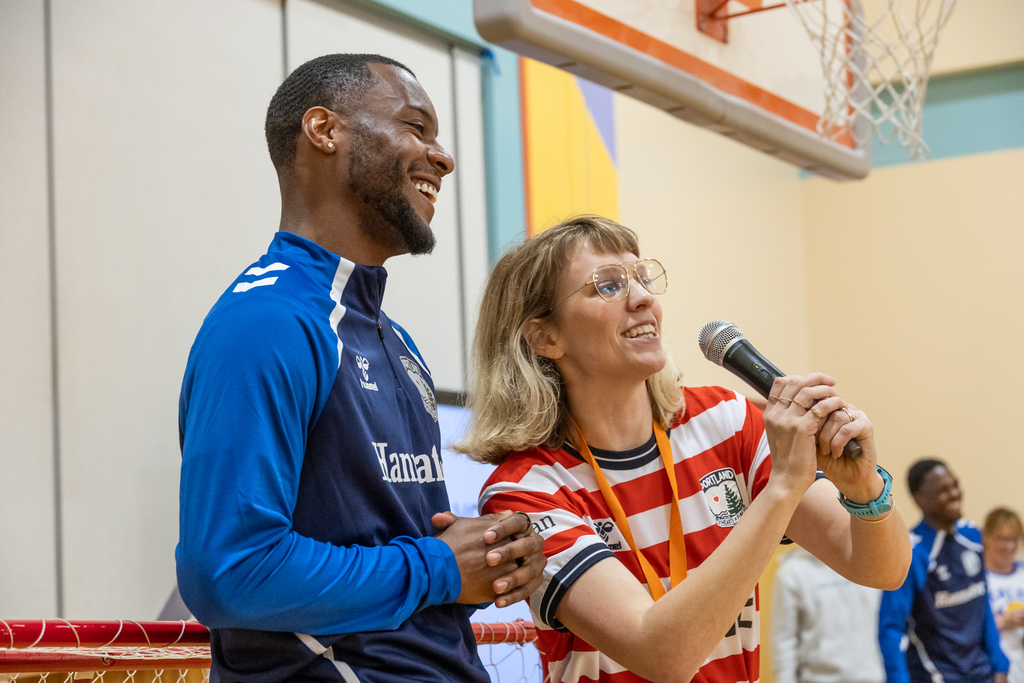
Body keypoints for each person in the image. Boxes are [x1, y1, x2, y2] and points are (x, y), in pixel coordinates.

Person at [175, 53, 546, 683]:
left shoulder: (396, 342)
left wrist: (485, 560)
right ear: (325, 131)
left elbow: (399, 558)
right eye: (416, 127)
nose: (443, 156)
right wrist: (439, 567)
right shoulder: (267, 322)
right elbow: (229, 572)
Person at [456, 215, 911, 683]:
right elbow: (660, 655)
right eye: (607, 286)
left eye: (642, 277)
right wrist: (783, 488)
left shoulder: (726, 421)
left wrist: (864, 489)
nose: (643, 298)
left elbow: (882, 569)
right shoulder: (526, 491)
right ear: (545, 337)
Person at [879, 459, 1009, 683]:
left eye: (955, 485)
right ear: (919, 499)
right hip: (936, 675)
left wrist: (999, 664)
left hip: (982, 673)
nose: (954, 494)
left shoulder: (973, 537)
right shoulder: (911, 552)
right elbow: (890, 628)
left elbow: (982, 605)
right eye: (943, 490)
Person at [771, 546, 885, 683]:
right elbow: (784, 643)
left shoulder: (871, 562)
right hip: (818, 679)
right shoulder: (792, 572)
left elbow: (888, 626)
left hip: (871, 678)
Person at [984, 507, 1024, 683]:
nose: (1009, 546)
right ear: (987, 538)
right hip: (993, 669)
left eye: (1014, 540)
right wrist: (1002, 622)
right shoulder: (978, 579)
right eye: (1003, 539)